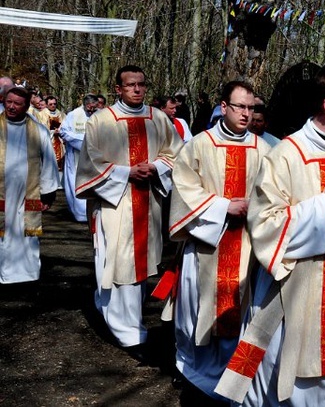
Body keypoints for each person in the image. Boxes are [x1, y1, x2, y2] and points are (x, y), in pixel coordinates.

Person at [214, 62, 325, 405]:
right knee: (301, 374)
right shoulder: (287, 154)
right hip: (301, 286)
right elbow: (265, 224)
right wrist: (322, 205)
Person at [168, 81, 271, 399]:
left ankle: (229, 375)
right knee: (196, 310)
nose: (246, 113)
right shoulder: (199, 144)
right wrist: (224, 206)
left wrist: (256, 209)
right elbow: (183, 189)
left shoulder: (263, 149)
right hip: (205, 243)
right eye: (240, 106)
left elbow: (274, 194)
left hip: (246, 247)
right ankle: (191, 371)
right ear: (223, 107)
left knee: (237, 311)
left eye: (251, 107)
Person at [75, 65, 183, 359]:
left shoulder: (158, 119)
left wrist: (157, 167)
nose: (137, 89)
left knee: (140, 266)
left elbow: (177, 155)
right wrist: (126, 173)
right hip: (114, 204)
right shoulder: (102, 121)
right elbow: (89, 163)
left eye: (141, 85)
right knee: (117, 263)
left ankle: (126, 319)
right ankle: (127, 330)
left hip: (149, 204)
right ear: (118, 89)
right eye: (130, 85)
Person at [0, 87, 59, 284]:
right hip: (1, 192)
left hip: (28, 191)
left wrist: (48, 193)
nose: (11, 106)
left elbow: (49, 162)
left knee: (26, 233)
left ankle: (26, 274)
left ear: (26, 106)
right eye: (9, 102)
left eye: (17, 103)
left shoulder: (38, 131)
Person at [59, 95, 99, 222]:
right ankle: (79, 213)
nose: (92, 110)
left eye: (94, 107)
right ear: (84, 104)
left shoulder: (101, 114)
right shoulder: (73, 115)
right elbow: (64, 132)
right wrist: (82, 141)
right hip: (76, 155)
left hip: (95, 155)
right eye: (89, 108)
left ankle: (94, 211)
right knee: (75, 181)